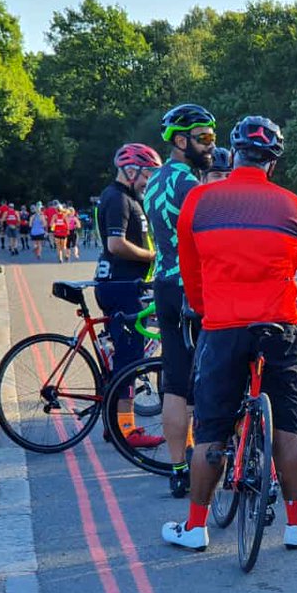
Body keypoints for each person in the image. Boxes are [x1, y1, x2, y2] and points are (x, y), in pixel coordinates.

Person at [166, 115, 297, 552]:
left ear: (235, 154)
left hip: (222, 325)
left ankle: (195, 527)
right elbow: (292, 263)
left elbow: (191, 270)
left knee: (210, 434)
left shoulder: (199, 200)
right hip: (278, 322)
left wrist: (206, 309)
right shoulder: (292, 204)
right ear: (273, 163)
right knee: (288, 430)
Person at [143, 103, 218, 498]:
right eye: (204, 138)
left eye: (212, 138)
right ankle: (212, 461)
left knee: (175, 381)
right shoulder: (190, 184)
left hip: (164, 285)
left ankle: (177, 468)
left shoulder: (153, 181)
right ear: (180, 139)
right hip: (193, 286)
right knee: (209, 378)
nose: (210, 146)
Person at [95, 143, 166, 450]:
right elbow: (116, 244)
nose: (147, 178)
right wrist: (151, 256)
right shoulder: (117, 199)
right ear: (129, 169)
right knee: (129, 363)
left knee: (127, 358)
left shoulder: (129, 198)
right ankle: (126, 429)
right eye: (145, 172)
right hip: (121, 285)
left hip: (126, 285)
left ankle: (115, 425)